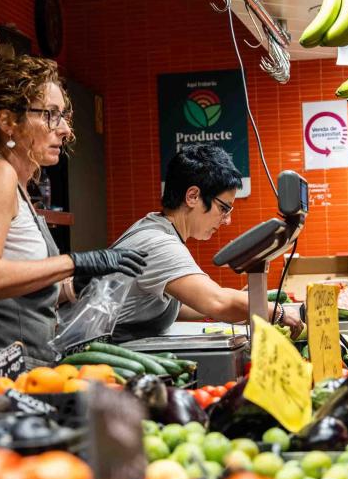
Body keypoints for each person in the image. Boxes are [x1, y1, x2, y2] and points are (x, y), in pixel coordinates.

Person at [0, 56, 147, 390]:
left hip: (10, 368)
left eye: (64, 116)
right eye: (50, 114)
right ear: (8, 121)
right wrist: (74, 261)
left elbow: (23, 287)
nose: (64, 129)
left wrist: (81, 280)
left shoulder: (19, 188)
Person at [109, 144, 301, 342]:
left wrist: (243, 305)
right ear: (192, 196)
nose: (227, 220)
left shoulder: (157, 228)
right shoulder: (158, 244)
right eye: (223, 208)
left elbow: (175, 306)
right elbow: (217, 301)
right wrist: (278, 312)